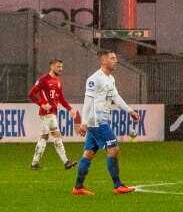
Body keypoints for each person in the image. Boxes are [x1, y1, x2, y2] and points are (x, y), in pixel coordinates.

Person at [72, 50, 139, 195]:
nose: (116, 61)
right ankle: (118, 185)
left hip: (98, 120)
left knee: (89, 153)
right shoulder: (94, 78)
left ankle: (78, 187)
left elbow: (116, 97)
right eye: (112, 58)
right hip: (97, 121)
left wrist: (130, 111)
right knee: (113, 149)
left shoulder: (110, 78)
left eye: (115, 58)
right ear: (103, 61)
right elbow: (87, 101)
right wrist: (84, 122)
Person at [28, 59, 79, 171]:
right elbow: (31, 94)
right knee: (57, 135)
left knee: (44, 137)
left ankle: (34, 164)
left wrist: (70, 109)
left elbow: (60, 98)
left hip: (53, 113)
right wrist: (42, 104)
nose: (60, 69)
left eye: (61, 67)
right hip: (47, 113)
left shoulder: (58, 81)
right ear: (52, 66)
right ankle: (66, 162)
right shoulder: (43, 80)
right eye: (58, 67)